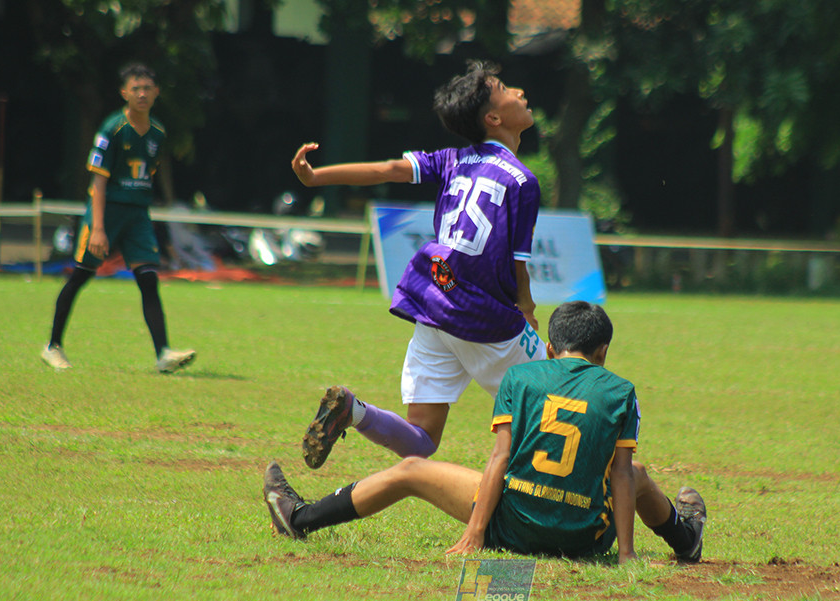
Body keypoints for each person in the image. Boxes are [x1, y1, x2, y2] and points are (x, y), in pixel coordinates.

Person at [263, 301, 707, 565]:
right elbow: (623, 475)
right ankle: (685, 539)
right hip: (584, 537)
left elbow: (500, 459)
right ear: (603, 351)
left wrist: (476, 534)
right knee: (638, 471)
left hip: (510, 526)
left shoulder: (523, 378)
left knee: (411, 469)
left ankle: (298, 518)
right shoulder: (621, 391)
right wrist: (625, 555)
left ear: (550, 349)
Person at [292, 61, 545, 467]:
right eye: (505, 89)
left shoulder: (452, 159)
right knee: (560, 404)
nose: (520, 92)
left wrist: (315, 178)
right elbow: (518, 266)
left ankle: (353, 411)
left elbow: (389, 169)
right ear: (494, 118)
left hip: (434, 302)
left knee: (422, 439)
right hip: (482, 317)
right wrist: (527, 310)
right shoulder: (521, 180)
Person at [40, 62, 195, 374]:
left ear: (157, 92)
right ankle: (52, 346)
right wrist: (97, 228)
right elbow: (97, 181)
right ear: (124, 92)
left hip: (137, 215)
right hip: (106, 212)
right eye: (135, 88)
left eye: (147, 88)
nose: (141, 94)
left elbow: (147, 173)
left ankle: (163, 353)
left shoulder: (158, 132)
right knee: (81, 275)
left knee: (149, 280)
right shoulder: (112, 128)